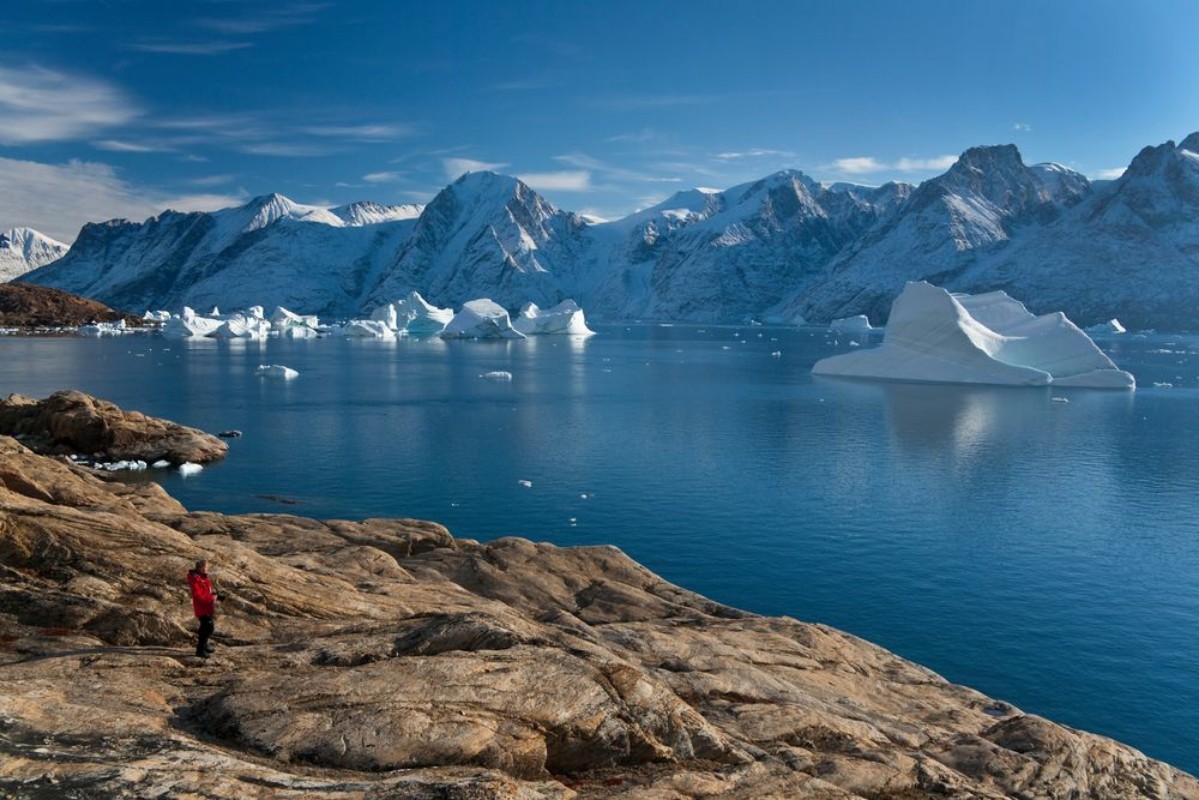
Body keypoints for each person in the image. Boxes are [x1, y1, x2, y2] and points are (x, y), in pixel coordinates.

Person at [187, 559, 220, 658]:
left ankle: (204, 645)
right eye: (205, 567)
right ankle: (200, 650)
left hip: (207, 606)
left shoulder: (203, 577)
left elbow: (207, 591)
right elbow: (198, 596)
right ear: (200, 568)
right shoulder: (195, 579)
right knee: (207, 627)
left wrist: (215, 594)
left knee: (207, 627)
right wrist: (212, 598)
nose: (207, 568)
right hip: (202, 607)